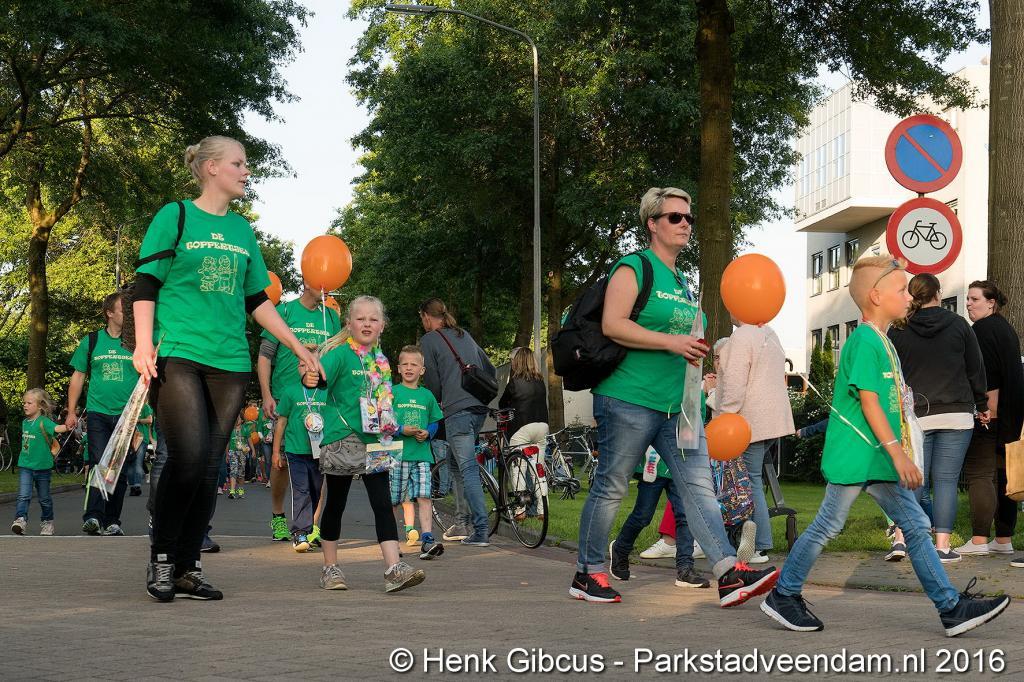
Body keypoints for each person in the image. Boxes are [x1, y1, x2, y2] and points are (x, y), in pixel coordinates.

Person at [760, 256, 1010, 637]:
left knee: (916, 525)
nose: (909, 296)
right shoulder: (864, 341)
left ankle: (951, 608)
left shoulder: (883, 340)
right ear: (876, 296)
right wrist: (899, 455)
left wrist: (896, 450)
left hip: (876, 458)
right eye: (901, 289)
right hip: (859, 456)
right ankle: (784, 594)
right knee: (828, 525)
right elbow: (869, 403)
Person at [132, 135, 321, 602]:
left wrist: (298, 346)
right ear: (211, 167)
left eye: (246, 164)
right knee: (188, 457)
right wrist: (143, 344)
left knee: (209, 468)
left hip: (229, 362)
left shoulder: (242, 231)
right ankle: (162, 557)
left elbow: (258, 301)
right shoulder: (175, 216)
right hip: (178, 353)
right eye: (238, 163)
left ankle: (188, 568)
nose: (246, 171)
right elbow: (146, 284)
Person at [571, 186, 778, 605]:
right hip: (629, 398)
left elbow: (684, 339)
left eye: (689, 218)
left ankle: (727, 572)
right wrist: (672, 343)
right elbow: (613, 324)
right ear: (652, 223)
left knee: (699, 489)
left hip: (679, 407)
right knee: (611, 487)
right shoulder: (634, 267)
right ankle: (588, 573)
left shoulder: (683, 282)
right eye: (675, 217)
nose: (685, 224)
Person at [310, 295, 425, 592]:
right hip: (343, 438)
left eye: (373, 319)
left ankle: (393, 569)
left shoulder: (381, 360)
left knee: (382, 503)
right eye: (360, 318)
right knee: (336, 503)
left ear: (382, 325)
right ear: (349, 323)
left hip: (376, 440)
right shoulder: (339, 354)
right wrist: (310, 375)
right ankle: (330, 568)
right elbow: (318, 377)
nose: (366, 324)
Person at [887, 273, 988, 563]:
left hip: (917, 415)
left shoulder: (899, 328)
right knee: (946, 481)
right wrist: (981, 404)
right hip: (957, 414)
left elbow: (892, 373)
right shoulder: (959, 324)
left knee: (912, 480)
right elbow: (975, 368)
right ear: (938, 294)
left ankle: (901, 540)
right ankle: (942, 546)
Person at [258, 284, 342, 542]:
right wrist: (266, 394)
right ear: (307, 280)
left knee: (320, 463)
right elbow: (265, 356)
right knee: (282, 463)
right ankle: (278, 516)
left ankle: (310, 526)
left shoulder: (331, 317)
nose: (327, 287)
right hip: (287, 399)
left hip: (321, 402)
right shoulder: (284, 311)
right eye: (321, 280)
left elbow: (339, 357)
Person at [419, 298, 497, 546]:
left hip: (457, 411)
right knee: (455, 464)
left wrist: (435, 403)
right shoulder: (464, 335)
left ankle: (481, 530)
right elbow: (489, 368)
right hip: (478, 408)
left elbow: (432, 382)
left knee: (467, 468)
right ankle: (462, 522)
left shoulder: (429, 340)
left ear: (426, 316)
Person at [717, 319, 795, 564]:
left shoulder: (741, 336)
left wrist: (724, 417)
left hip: (749, 421)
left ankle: (759, 545)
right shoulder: (770, 333)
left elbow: (734, 383)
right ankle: (750, 540)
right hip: (771, 420)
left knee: (748, 481)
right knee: (752, 479)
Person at [959, 281, 1024, 564]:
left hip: (989, 416)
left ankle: (979, 540)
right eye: (968, 299)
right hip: (1010, 418)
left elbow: (986, 379)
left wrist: (983, 410)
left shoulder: (982, 331)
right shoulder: (1005, 329)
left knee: (980, 475)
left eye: (974, 299)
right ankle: (1003, 540)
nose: (968, 304)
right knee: (1005, 477)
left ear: (991, 302)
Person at [67, 291, 139, 537]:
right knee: (99, 462)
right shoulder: (91, 341)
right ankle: (94, 517)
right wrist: (71, 411)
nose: (129, 315)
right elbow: (78, 376)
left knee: (119, 467)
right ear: (109, 313)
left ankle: (112, 520)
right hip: (98, 412)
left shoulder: (135, 342)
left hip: (127, 416)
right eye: (123, 310)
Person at [610, 447, 709, 588]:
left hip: (680, 463)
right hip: (654, 463)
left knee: (685, 515)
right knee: (643, 515)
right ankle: (620, 548)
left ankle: (685, 569)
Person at [391, 345, 445, 559]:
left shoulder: (427, 395)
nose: (409, 368)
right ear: (398, 368)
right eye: (405, 364)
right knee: (394, 499)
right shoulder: (392, 393)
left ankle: (428, 539)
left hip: (422, 455)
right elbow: (382, 422)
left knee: (424, 496)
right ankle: (391, 541)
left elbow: (435, 421)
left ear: (422, 370)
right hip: (397, 456)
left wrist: (428, 433)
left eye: (414, 364)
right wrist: (400, 429)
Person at [273, 376, 326, 553]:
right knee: (301, 490)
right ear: (298, 368)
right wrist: (275, 451)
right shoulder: (290, 391)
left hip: (320, 451)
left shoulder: (326, 390)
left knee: (315, 491)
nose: (308, 370)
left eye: (312, 366)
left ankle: (308, 528)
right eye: (303, 365)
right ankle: (300, 533)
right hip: (295, 450)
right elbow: (281, 422)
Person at [12, 389, 68, 536]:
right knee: (23, 495)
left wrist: (68, 425)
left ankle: (47, 522)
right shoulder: (25, 422)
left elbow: (57, 428)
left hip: (43, 467)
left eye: (29, 403)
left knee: (44, 498)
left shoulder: (44, 422)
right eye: (24, 403)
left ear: (40, 406)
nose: (25, 405)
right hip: (25, 465)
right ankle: (20, 520)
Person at [225, 414, 249, 499]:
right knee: (233, 471)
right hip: (233, 452)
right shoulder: (230, 429)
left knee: (241, 473)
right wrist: (227, 454)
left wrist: (252, 450)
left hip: (242, 453)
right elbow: (228, 442)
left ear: (242, 421)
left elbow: (249, 440)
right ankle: (232, 491)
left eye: (238, 418)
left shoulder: (245, 429)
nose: (236, 419)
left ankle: (240, 490)